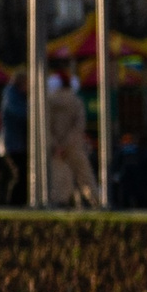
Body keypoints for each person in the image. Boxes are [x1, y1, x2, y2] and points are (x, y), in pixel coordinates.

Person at [46, 73, 95, 208]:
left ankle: (60, 203)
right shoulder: (76, 101)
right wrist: (68, 143)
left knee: (59, 177)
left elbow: (46, 126)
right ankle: (94, 201)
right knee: (85, 176)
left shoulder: (48, 102)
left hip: (55, 149)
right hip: (74, 146)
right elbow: (79, 126)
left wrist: (56, 144)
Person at [0, 79, 30, 205]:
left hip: (16, 143)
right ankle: (14, 202)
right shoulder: (12, 99)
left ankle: (17, 202)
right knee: (20, 173)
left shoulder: (14, 98)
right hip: (14, 144)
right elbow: (21, 114)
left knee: (20, 173)